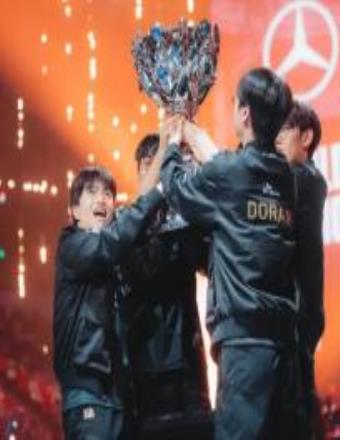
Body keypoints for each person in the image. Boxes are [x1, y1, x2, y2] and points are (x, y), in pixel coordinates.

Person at [159, 67, 305, 439]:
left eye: (235, 103)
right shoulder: (286, 178)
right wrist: (198, 137)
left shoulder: (231, 172)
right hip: (282, 343)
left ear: (244, 113)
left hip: (244, 344)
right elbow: (235, 173)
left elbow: (177, 190)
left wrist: (172, 144)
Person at [53, 150, 165, 439]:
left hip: (118, 396)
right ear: (74, 210)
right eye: (91, 192)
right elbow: (114, 239)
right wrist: (160, 192)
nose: (102, 199)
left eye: (108, 193)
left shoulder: (115, 256)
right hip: (88, 394)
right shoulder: (73, 246)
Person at [120, 134, 212, 439]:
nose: (155, 172)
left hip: (187, 356)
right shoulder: (125, 225)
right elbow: (141, 272)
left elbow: (208, 262)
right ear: (138, 171)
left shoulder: (185, 220)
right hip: (146, 364)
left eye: (161, 164)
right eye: (149, 164)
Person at [276, 101, 327, 439]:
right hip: (291, 316)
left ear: (306, 137)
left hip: (298, 317)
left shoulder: (306, 179)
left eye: (283, 129)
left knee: (296, 415)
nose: (276, 138)